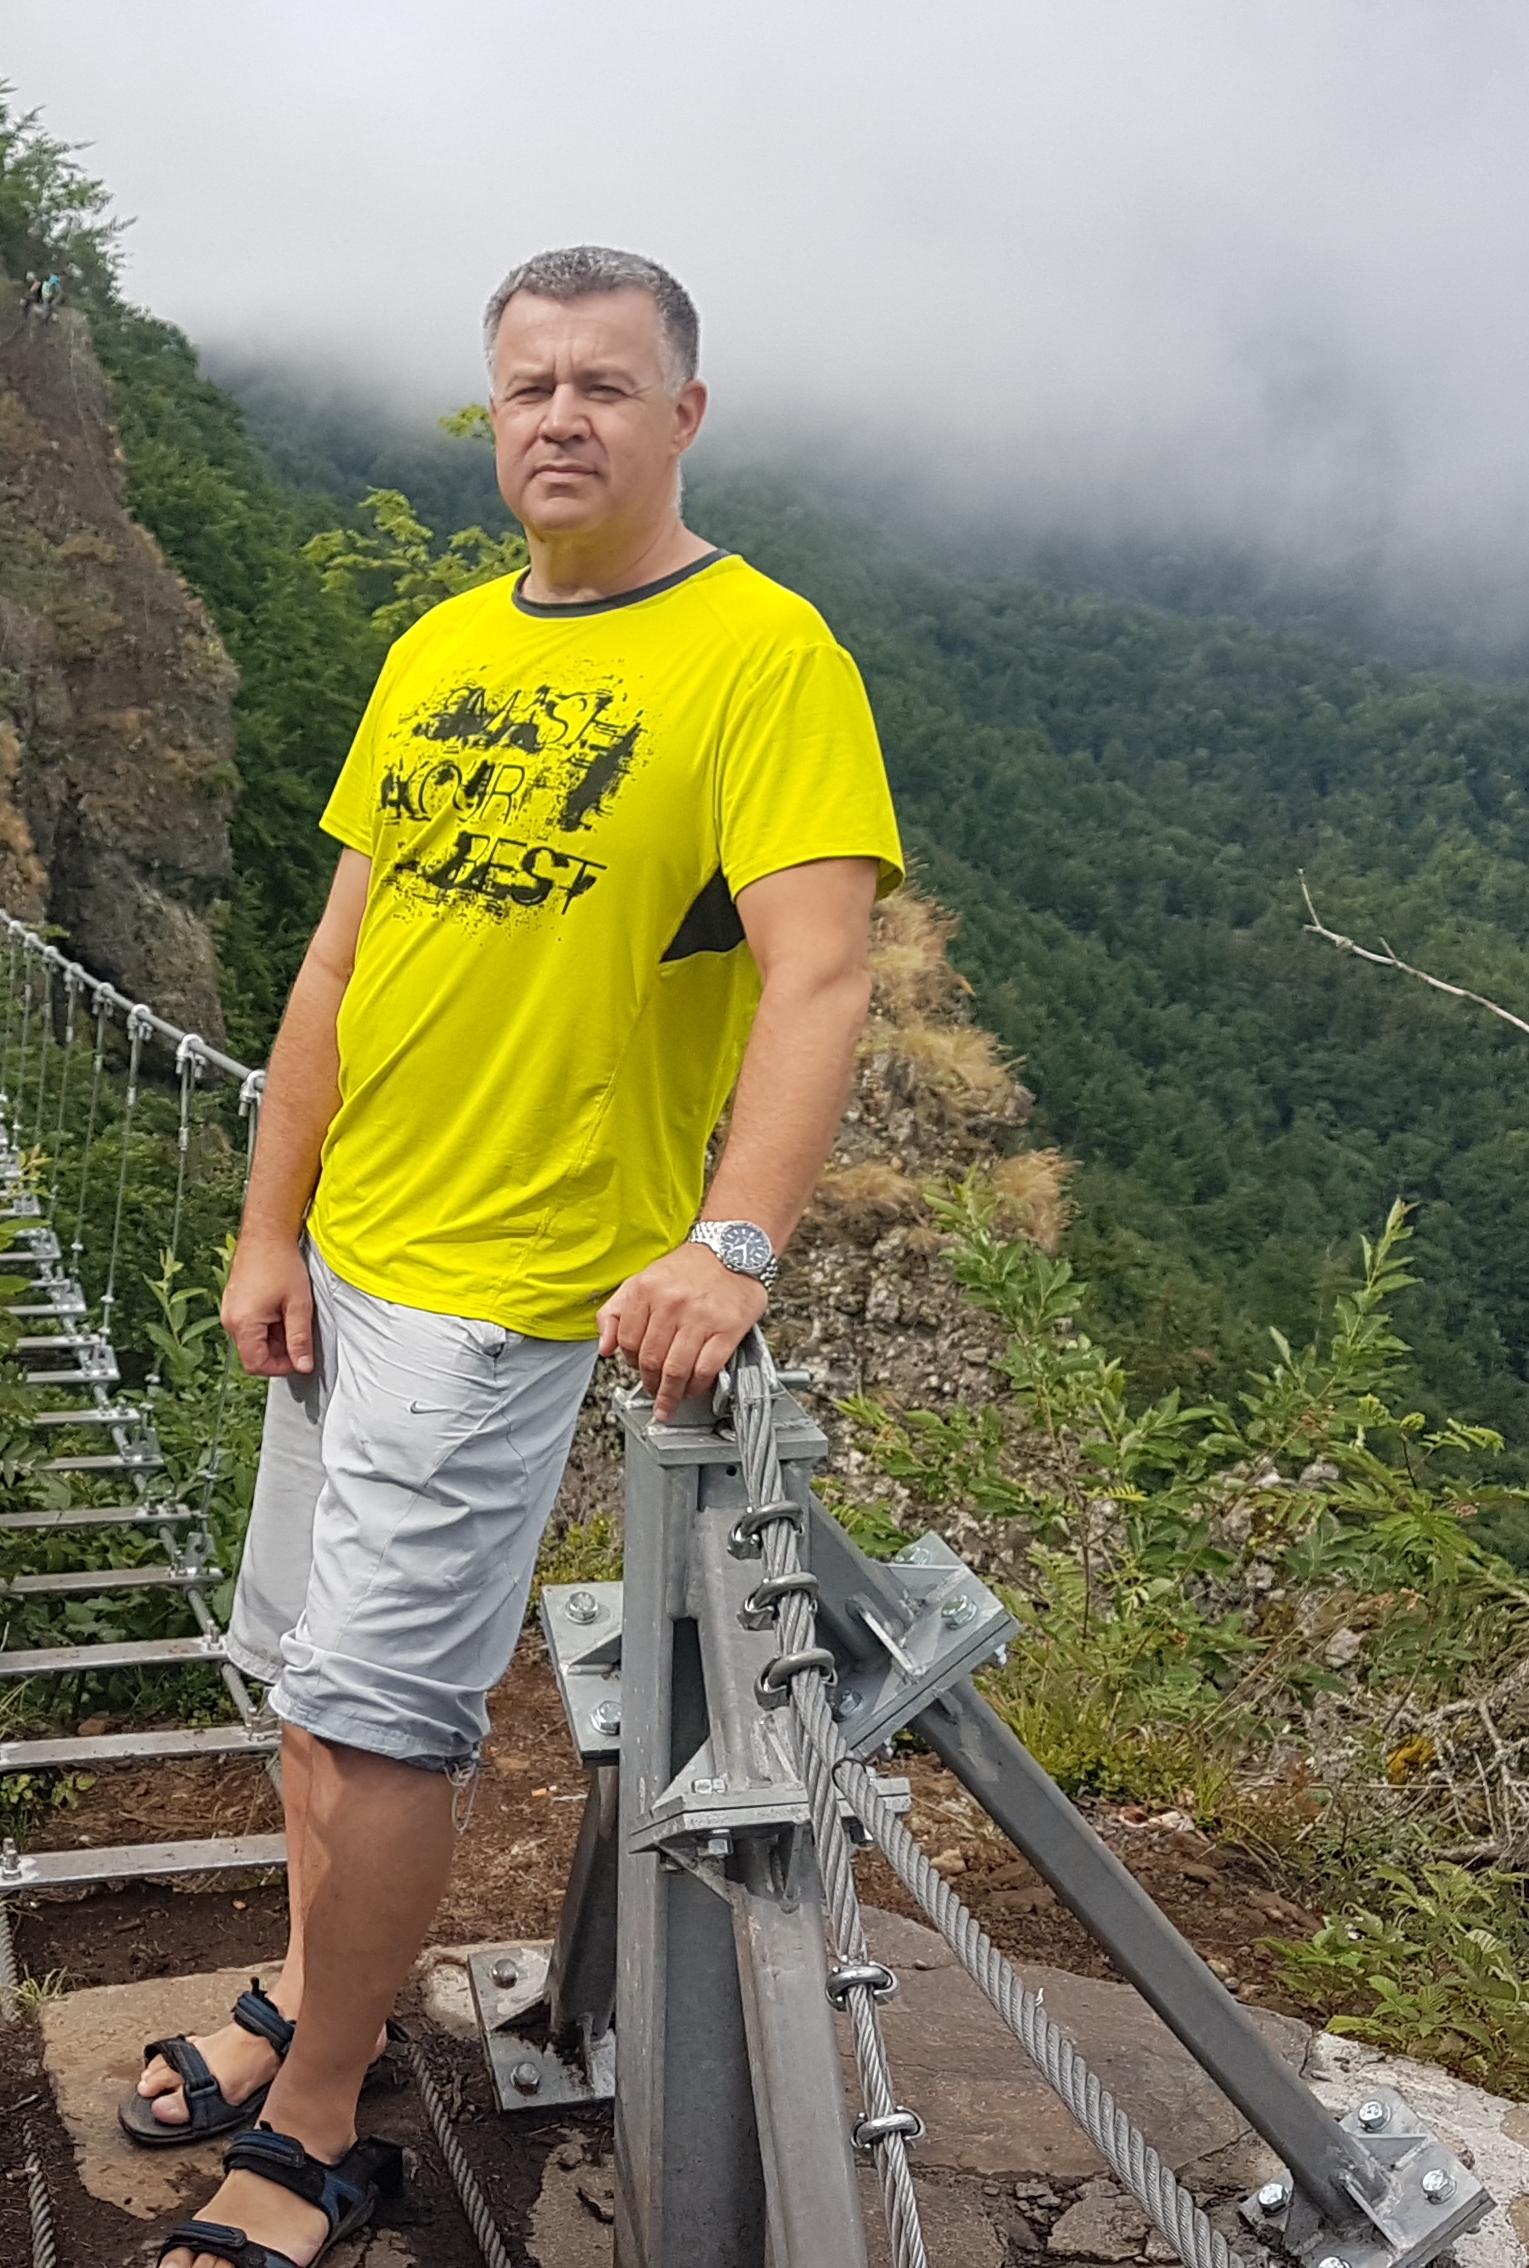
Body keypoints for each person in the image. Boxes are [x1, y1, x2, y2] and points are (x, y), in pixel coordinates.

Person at [128, 245, 900, 2268]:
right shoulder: (443, 646)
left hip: (503, 1287)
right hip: (351, 1258)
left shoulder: (765, 658)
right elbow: (340, 960)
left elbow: (821, 977)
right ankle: (314, 1992)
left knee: (384, 1721)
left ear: (683, 416)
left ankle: (317, 2123)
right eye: (530, 384)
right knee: (307, 1691)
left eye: (605, 385)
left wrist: (732, 1242)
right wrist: (272, 1223)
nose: (561, 416)